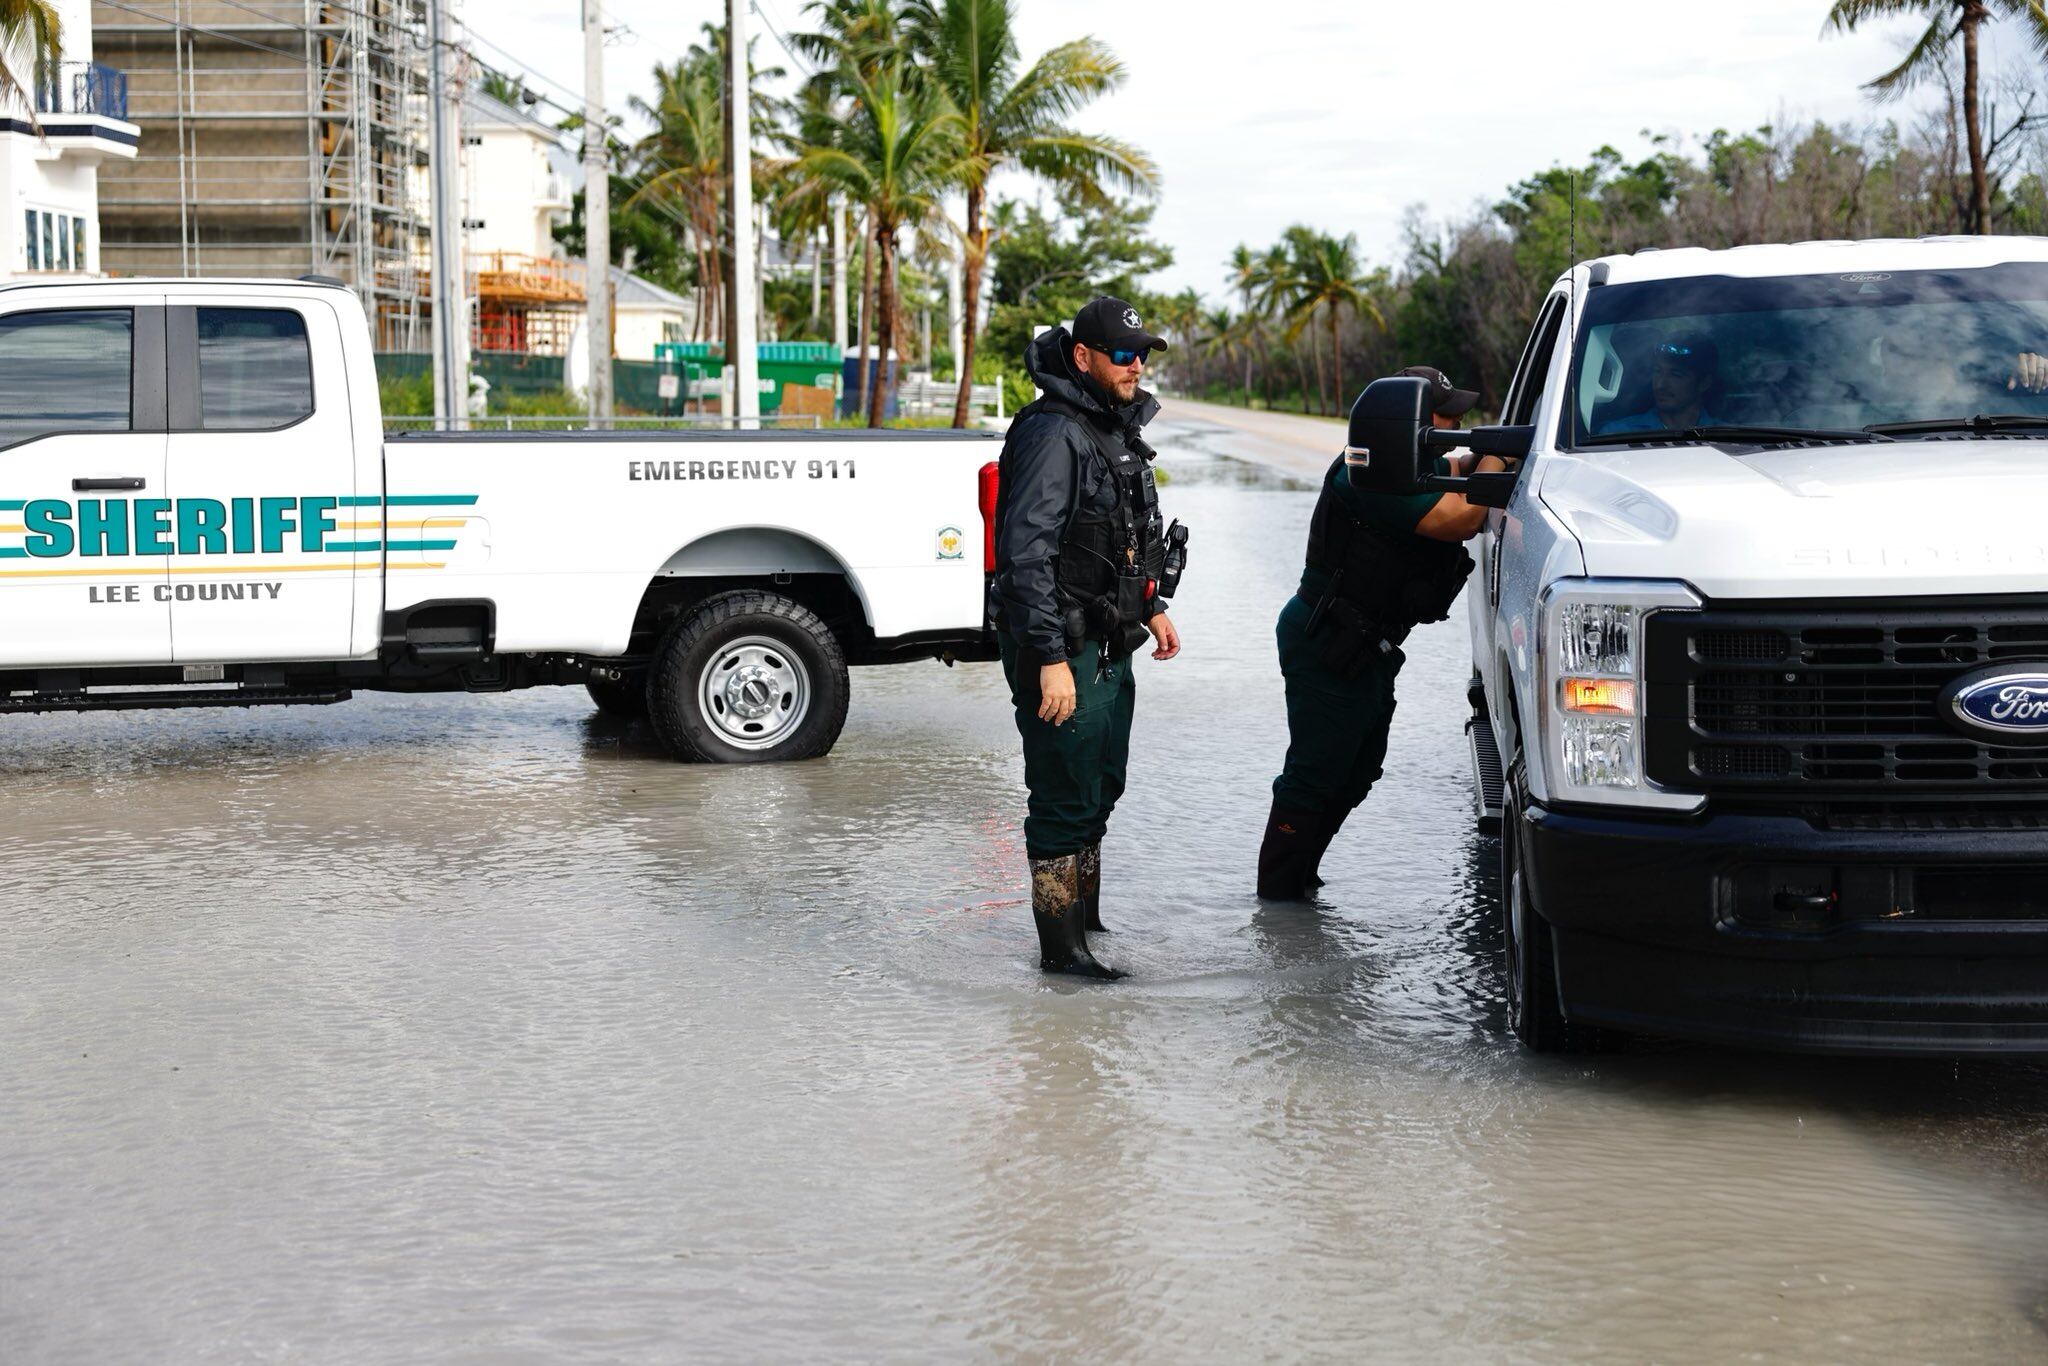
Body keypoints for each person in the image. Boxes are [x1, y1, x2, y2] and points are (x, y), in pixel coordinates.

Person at [1257, 365, 1504, 901]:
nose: (1456, 424)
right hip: (1329, 640)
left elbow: (1455, 462)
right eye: (1445, 416)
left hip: (1366, 644)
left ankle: (1302, 876)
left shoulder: (1407, 462)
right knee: (1314, 774)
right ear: (1406, 422)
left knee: (1359, 770)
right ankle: (1278, 900)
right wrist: (1501, 455)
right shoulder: (1366, 472)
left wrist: (1488, 445)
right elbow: (1459, 519)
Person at [992, 297, 1185, 979]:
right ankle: (1062, 955)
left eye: (1143, 355)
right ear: (1084, 358)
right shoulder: (1053, 434)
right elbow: (1027, 554)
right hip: (1062, 648)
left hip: (1110, 642)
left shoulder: (1110, 428)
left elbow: (1125, 537)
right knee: (1062, 800)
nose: (1137, 367)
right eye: (1123, 355)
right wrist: (1049, 658)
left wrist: (1152, 606)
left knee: (1101, 786)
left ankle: (1087, 924)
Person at [1598, 332, 1720, 433]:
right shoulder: (1617, 433)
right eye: (1657, 371)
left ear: (1704, 383)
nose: (1660, 384)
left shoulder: (1724, 435)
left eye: (1676, 375)